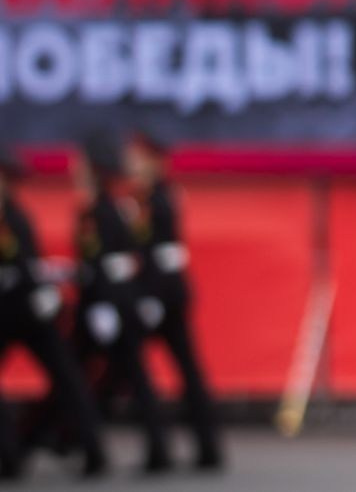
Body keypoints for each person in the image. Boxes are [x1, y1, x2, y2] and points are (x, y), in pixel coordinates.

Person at [0, 150, 108, 481]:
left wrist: (41, 285)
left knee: (68, 377)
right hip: (22, 307)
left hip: (22, 309)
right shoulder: (16, 215)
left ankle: (90, 450)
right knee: (68, 376)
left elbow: (25, 263)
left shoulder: (15, 217)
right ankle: (12, 455)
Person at [67, 141, 172, 476]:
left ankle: (88, 447)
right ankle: (65, 439)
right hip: (113, 301)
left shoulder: (102, 210)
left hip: (111, 303)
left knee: (102, 376)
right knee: (100, 376)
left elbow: (114, 260)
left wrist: (108, 303)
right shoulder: (114, 207)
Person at [122, 133, 222, 471]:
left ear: (153, 161)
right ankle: (178, 448)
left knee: (180, 372)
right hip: (155, 294)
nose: (131, 164)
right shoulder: (141, 198)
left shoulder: (160, 199)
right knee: (170, 371)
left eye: (137, 157)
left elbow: (165, 255)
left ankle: (195, 447)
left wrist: (152, 298)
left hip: (164, 296)